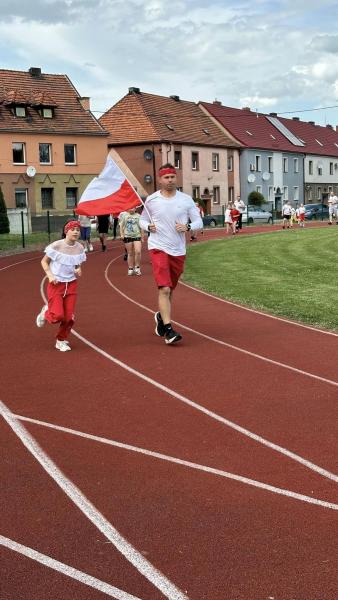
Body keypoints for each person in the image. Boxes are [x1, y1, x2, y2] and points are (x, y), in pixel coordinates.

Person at [139, 163, 203, 344]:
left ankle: (161, 317)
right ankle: (168, 330)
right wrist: (147, 226)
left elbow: (198, 221)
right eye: (166, 178)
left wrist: (188, 227)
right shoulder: (151, 200)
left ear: (176, 178)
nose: (170, 180)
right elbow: (142, 220)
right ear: (160, 180)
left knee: (170, 288)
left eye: (172, 177)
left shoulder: (186, 199)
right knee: (164, 288)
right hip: (158, 246)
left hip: (178, 250)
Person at [35, 220, 86, 352]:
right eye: (73, 229)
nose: (76, 231)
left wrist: (78, 269)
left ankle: (60, 340)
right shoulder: (56, 246)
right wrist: (50, 276)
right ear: (66, 231)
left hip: (71, 285)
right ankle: (46, 312)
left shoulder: (80, 247)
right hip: (56, 284)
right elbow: (44, 262)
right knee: (57, 316)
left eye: (78, 230)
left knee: (69, 318)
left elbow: (77, 263)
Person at [119, 207, 144, 275]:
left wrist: (142, 237)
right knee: (130, 253)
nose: (131, 209)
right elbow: (121, 226)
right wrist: (121, 234)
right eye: (130, 208)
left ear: (135, 209)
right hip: (127, 235)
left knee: (138, 251)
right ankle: (130, 268)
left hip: (137, 235)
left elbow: (141, 227)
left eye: (133, 208)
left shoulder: (138, 216)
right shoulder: (124, 215)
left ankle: (137, 267)